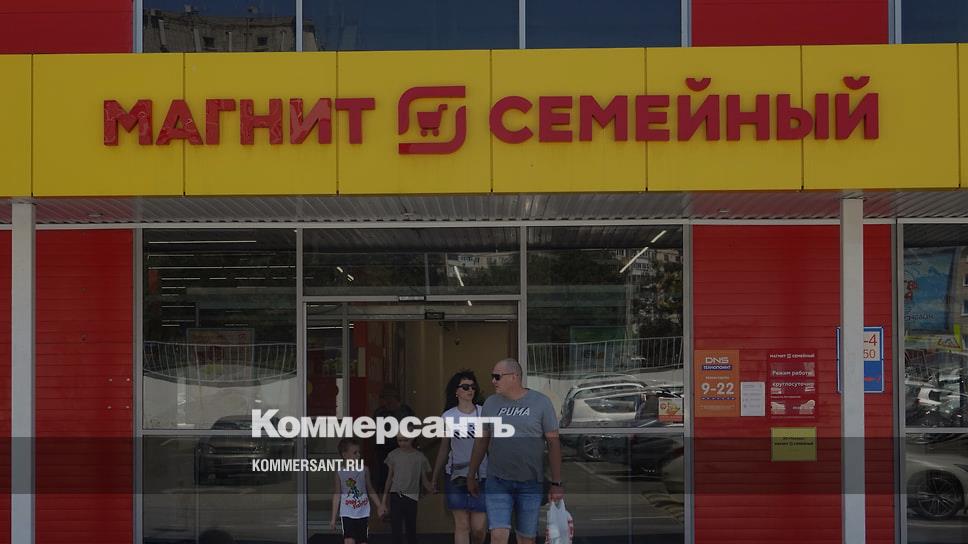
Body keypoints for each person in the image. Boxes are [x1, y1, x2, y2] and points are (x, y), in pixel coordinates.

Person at [467, 358, 564, 544]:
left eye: (497, 377)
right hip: (498, 481)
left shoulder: (541, 402)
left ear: (514, 377)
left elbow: (553, 443)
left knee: (526, 539)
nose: (493, 381)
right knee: (498, 535)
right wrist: (471, 474)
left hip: (531, 482)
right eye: (492, 377)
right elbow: (481, 441)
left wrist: (556, 482)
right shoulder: (490, 404)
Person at [432, 371, 489, 544]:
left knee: (479, 528)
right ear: (456, 391)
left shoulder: (484, 412)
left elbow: (492, 445)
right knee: (462, 525)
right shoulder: (448, 416)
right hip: (455, 474)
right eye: (465, 387)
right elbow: (444, 448)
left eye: (472, 386)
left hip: (482, 474)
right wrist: (434, 476)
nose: (470, 390)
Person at [331, 438, 385, 544]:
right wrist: (333, 517)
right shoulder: (339, 472)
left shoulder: (364, 469)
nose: (358, 455)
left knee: (362, 540)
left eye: (359, 452)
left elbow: (370, 489)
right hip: (347, 512)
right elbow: (337, 495)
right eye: (355, 453)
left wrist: (379, 505)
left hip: (362, 512)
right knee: (349, 540)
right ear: (345, 455)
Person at [382, 433, 433, 544]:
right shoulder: (393, 455)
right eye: (399, 440)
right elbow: (389, 478)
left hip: (412, 497)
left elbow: (424, 479)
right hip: (396, 494)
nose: (402, 443)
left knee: (411, 528)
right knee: (396, 529)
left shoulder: (420, 457)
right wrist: (383, 501)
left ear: (412, 438)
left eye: (406, 440)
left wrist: (431, 488)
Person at [373, 385, 416, 493]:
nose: (386, 402)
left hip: (401, 451)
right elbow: (376, 434)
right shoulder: (380, 413)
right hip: (383, 452)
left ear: (396, 398)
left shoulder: (405, 412)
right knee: (384, 480)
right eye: (384, 398)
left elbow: (412, 431)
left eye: (389, 398)